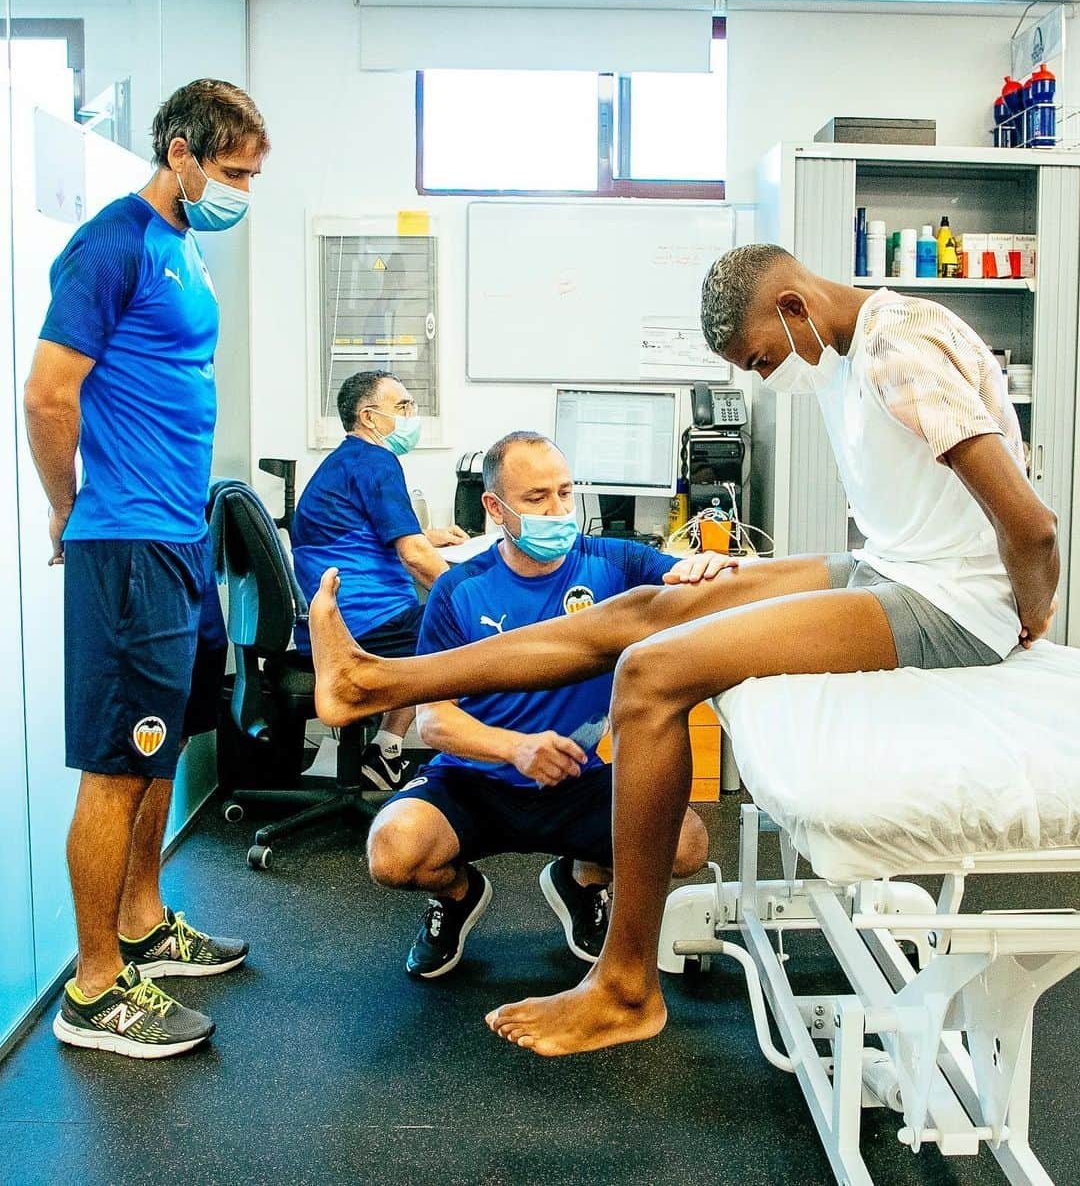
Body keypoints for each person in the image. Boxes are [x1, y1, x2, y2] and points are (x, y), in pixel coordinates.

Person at [308, 243, 1059, 1058]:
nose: (767, 377)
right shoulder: (853, 347)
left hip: (946, 605)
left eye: (761, 358)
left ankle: (627, 988)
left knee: (652, 670)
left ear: (795, 308)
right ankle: (373, 680)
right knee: (646, 607)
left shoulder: (896, 348)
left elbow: (1033, 524)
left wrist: (1028, 613)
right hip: (895, 566)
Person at [24, 79, 270, 1058]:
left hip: (175, 535)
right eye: (234, 171)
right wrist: (66, 504)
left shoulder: (184, 247)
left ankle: (141, 921)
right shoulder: (112, 243)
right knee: (116, 768)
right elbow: (48, 394)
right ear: (180, 153)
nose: (242, 190)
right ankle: (94, 991)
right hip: (125, 539)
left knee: (159, 745)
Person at [366, 431, 715, 979]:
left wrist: (703, 568)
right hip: (474, 781)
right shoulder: (459, 590)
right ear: (495, 507)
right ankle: (457, 897)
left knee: (686, 845)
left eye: (565, 493)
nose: (558, 511)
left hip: (575, 777)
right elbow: (434, 720)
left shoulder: (612, 563)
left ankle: (582, 880)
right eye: (537, 499)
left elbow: (684, 575)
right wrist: (516, 748)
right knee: (394, 851)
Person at [290, 370, 467, 791]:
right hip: (363, 623)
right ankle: (467, 773)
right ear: (369, 417)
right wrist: (474, 598)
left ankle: (385, 753)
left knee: (437, 624)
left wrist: (429, 536)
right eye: (402, 407)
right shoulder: (376, 462)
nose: (411, 415)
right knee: (469, 633)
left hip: (337, 621)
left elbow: (368, 536)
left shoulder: (345, 462)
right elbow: (413, 556)